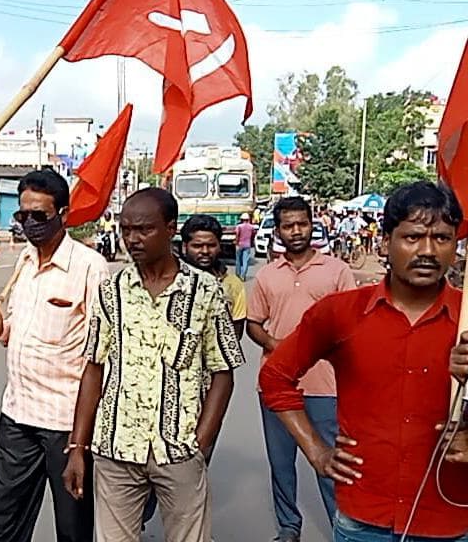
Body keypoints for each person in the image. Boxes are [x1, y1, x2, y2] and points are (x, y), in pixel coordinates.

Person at [261, 181, 468, 541]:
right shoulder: (341, 313)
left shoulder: (466, 320)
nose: (428, 251)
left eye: (441, 238)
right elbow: (275, 377)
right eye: (413, 237)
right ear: (385, 242)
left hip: (448, 516)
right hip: (363, 518)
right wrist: (317, 451)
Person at [63, 188, 245, 542]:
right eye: (126, 230)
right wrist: (77, 448)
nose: (133, 239)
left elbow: (223, 373)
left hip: (179, 451)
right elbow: (94, 369)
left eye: (144, 229)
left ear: (170, 228)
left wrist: (200, 443)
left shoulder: (206, 292)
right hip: (115, 449)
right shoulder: (111, 291)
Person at [0, 169, 109, 542]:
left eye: (39, 215)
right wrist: (0, 330)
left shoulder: (90, 268)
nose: (29, 223)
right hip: (17, 416)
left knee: (72, 526)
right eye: (23, 215)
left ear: (62, 214)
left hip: (65, 424)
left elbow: (101, 356)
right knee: (2, 522)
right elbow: (22, 331)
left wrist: (79, 443)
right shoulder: (25, 260)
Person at [247, 196, 356, 542]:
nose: (296, 231)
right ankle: (289, 527)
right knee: (281, 464)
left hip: (326, 385)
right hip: (277, 386)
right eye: (288, 225)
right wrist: (276, 345)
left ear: (313, 225)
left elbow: (353, 323)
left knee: (331, 462)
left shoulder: (337, 271)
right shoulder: (267, 275)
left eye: (302, 224)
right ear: (278, 231)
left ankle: (343, 527)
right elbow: (253, 323)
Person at [138, 212, 247, 528]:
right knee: (151, 458)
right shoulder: (168, 281)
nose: (204, 251)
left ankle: (187, 527)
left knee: (196, 460)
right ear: (184, 246)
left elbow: (232, 341)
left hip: (207, 391)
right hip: (162, 385)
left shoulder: (231, 286)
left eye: (210, 245)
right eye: (197, 245)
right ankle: (140, 514)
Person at [235, 212, 257, 280]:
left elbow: (237, 235)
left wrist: (236, 243)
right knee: (245, 261)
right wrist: (251, 243)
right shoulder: (251, 227)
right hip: (247, 245)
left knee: (238, 260)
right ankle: (243, 275)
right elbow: (253, 235)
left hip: (240, 245)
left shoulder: (239, 226)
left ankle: (238, 273)